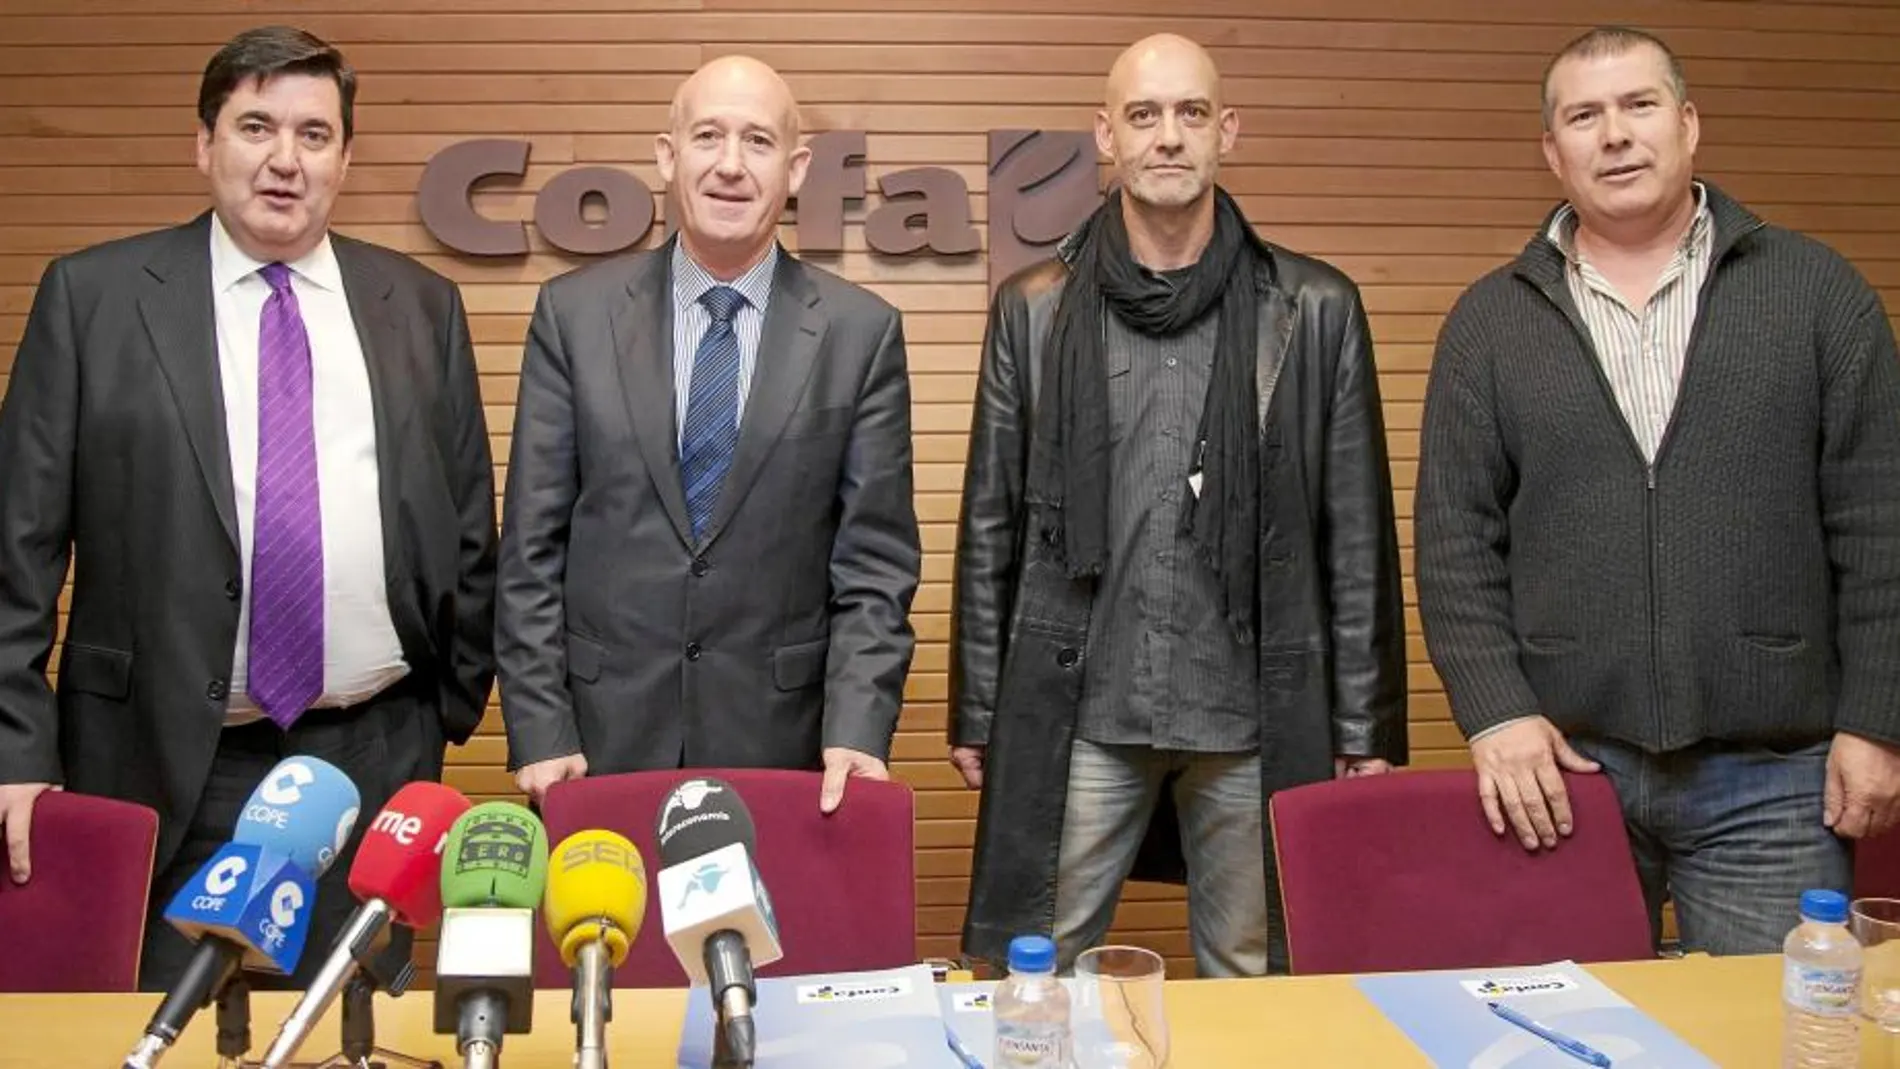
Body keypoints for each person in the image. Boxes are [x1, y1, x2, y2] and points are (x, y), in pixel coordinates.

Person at [0, 26, 498, 989]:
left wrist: (446, 702)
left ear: (346, 158)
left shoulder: (420, 304)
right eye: (256, 126)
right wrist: (16, 746)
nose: (284, 159)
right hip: (158, 762)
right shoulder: (94, 298)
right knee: (160, 1025)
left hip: (373, 753)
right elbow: (14, 553)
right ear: (205, 144)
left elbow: (467, 523)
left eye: (314, 135)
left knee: (351, 1031)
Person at [1415, 25, 1900, 955]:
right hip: (1561, 775)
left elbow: (1881, 527)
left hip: (1778, 780)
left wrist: (1877, 720)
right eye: (1584, 117)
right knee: (1566, 1036)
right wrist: (1496, 711)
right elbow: (1454, 543)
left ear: (1687, 124)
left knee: (1776, 1037)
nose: (1615, 135)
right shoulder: (1488, 322)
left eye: (1638, 106)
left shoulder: (1816, 293)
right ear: (1553, 153)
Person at [950, 33, 1407, 976]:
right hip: (1084, 709)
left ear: (1225, 132)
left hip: (1254, 715)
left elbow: (1355, 534)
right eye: (1145, 115)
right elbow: (988, 525)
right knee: (1039, 966)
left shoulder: (1315, 308)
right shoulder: (1033, 308)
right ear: (1105, 136)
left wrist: (1363, 727)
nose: (1169, 136)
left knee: (1256, 976)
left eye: (1191, 114)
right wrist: (982, 706)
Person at [497, 55, 921, 815]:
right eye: (708, 137)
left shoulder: (861, 335)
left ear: (795, 169)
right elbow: (531, 547)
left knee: (769, 941)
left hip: (783, 750)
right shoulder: (574, 316)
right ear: (668, 155)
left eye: (757, 142)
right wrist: (538, 726)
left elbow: (875, 564)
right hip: (595, 744)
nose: (730, 166)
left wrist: (858, 725)